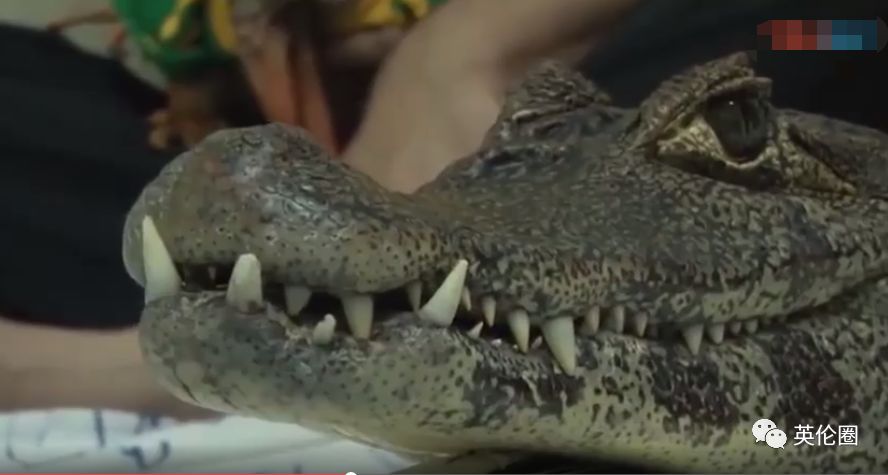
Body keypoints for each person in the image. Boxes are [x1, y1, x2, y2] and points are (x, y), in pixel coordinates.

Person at [1, 0, 885, 416]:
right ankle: (291, 311)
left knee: (835, 19)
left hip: (600, 86)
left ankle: (162, 361)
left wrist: (452, 47)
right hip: (322, 197)